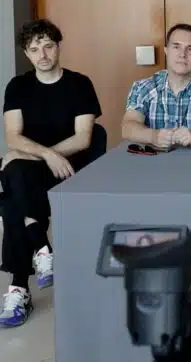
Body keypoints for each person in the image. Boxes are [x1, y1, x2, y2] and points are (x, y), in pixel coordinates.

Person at [0, 19, 102, 327]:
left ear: (58, 47)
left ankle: (19, 288)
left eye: (48, 46)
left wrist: (45, 156)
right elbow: (13, 136)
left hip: (69, 168)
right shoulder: (18, 86)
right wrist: (46, 155)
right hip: (39, 166)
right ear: (26, 53)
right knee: (18, 174)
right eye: (34, 49)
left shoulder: (79, 84)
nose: (42, 55)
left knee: (13, 187)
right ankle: (41, 249)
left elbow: (83, 138)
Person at [121, 23, 191, 149]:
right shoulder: (143, 87)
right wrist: (153, 136)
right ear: (166, 51)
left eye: (190, 49)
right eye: (176, 47)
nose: (182, 54)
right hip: (156, 159)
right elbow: (128, 127)